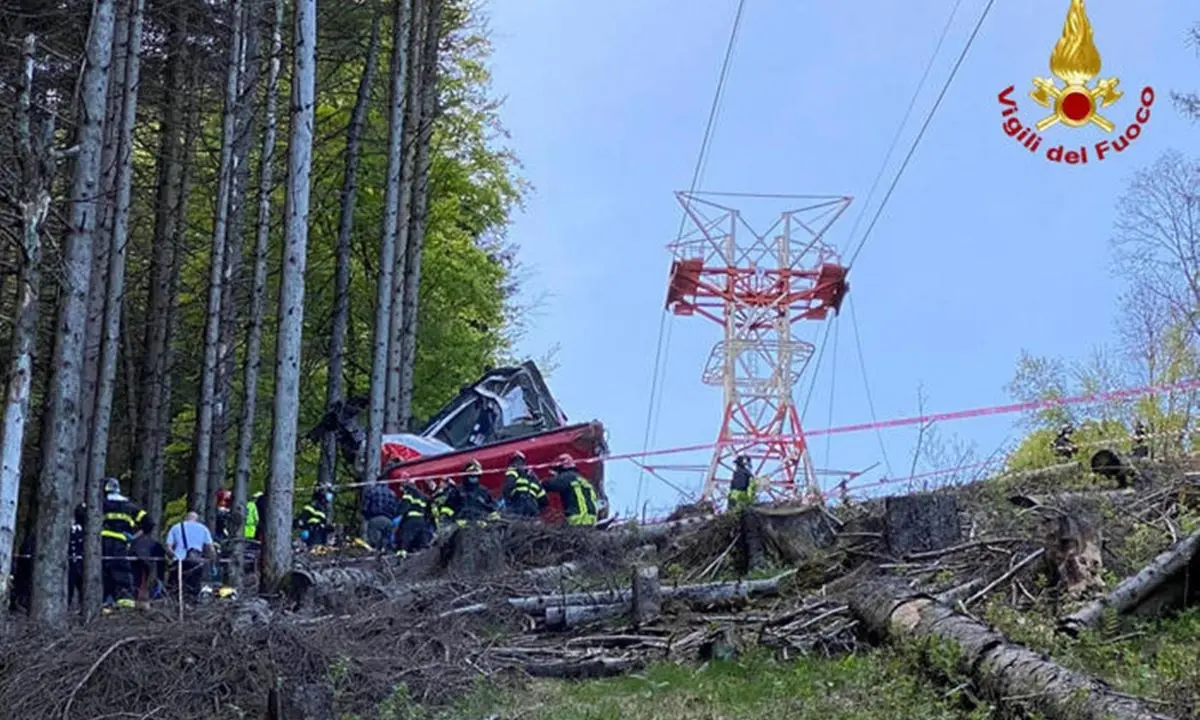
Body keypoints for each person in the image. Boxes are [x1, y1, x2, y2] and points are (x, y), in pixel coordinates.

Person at [101, 477, 146, 608]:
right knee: (121, 571)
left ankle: (106, 601)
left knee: (104, 572)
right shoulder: (129, 506)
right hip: (121, 544)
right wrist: (134, 536)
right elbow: (148, 523)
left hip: (102, 543)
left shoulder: (100, 504)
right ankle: (123, 600)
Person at [167, 511, 216, 599]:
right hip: (196, 563)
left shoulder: (176, 527)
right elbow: (210, 548)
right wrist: (213, 561)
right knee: (193, 587)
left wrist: (174, 556)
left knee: (175, 588)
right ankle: (192, 603)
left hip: (179, 561)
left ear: (186, 518)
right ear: (197, 520)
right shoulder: (203, 529)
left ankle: (174, 604)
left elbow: (168, 547)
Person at [544, 453, 599, 527]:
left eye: (556, 470)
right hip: (591, 520)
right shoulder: (584, 480)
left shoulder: (567, 477)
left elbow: (548, 485)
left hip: (577, 519)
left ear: (561, 467)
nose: (555, 474)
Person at [130, 515, 166, 607]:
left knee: (137, 580)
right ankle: (140, 598)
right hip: (144, 565)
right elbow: (161, 561)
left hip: (138, 564)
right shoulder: (155, 544)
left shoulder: (133, 542)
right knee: (141, 580)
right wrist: (161, 576)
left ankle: (137, 597)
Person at [501, 451, 547, 519]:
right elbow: (544, 500)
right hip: (532, 510)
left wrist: (507, 499)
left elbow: (508, 487)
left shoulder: (513, 471)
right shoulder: (533, 477)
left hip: (518, 509)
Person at [393, 481, 435, 553]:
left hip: (411, 519)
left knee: (405, 536)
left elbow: (404, 506)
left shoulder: (409, 493)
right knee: (420, 538)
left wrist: (398, 513)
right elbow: (429, 509)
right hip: (421, 520)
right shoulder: (422, 495)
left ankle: (402, 553)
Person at [362, 476, 400, 550]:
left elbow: (365, 507)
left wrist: (367, 517)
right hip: (389, 521)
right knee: (385, 543)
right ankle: (384, 556)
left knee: (374, 544)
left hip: (375, 519)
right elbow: (396, 509)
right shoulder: (392, 493)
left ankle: (375, 557)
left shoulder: (371, 491)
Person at [457, 459, 497, 524]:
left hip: (480, 527)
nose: (474, 478)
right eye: (471, 475)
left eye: (476, 476)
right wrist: (455, 520)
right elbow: (448, 508)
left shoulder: (483, 491)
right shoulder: (458, 490)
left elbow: (492, 507)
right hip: (462, 527)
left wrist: (493, 516)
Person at [69, 503, 86, 608]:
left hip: (83, 564)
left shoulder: (89, 531)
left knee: (83, 590)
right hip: (72, 564)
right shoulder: (72, 529)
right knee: (69, 587)